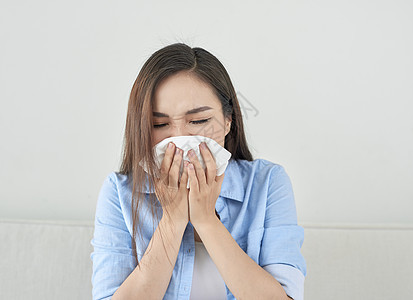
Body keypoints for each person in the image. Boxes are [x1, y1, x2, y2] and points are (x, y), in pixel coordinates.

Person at [90, 43, 306, 300]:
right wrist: (173, 219)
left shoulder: (267, 184)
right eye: (160, 124)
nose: (180, 137)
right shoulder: (120, 193)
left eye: (199, 121)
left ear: (228, 121)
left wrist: (205, 219)